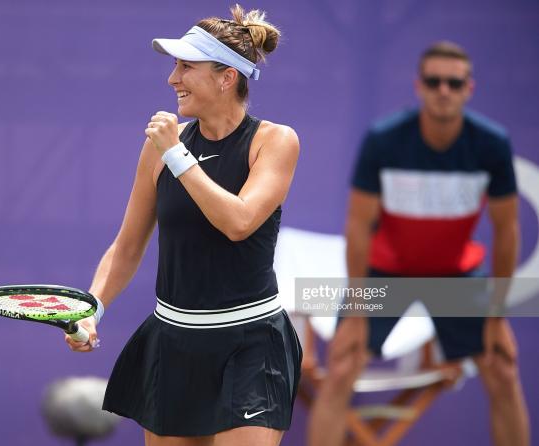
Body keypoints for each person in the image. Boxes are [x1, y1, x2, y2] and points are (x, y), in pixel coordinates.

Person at [65, 5, 302, 446]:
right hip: (173, 344)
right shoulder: (158, 149)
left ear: (226, 77)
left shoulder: (274, 140)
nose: (172, 79)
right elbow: (127, 246)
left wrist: (177, 154)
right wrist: (92, 308)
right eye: (175, 66)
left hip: (251, 343)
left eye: (186, 67)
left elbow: (240, 222)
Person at [308, 41, 530, 446]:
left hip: (455, 278)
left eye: (453, 82)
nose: (443, 90)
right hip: (386, 274)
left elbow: (507, 230)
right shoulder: (384, 140)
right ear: (419, 86)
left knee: (502, 369)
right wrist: (357, 312)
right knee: (341, 368)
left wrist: (496, 315)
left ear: (468, 89)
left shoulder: (491, 144)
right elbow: (358, 226)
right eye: (434, 81)